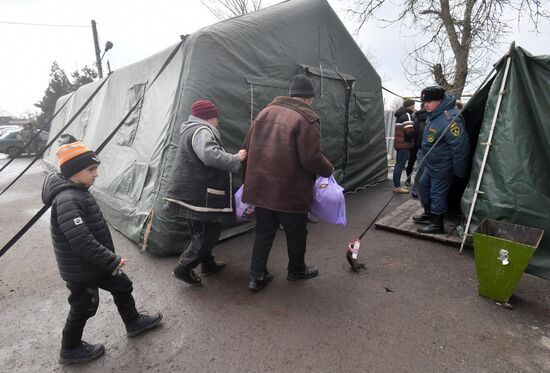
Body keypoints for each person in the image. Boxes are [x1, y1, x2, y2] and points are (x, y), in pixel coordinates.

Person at [42, 140, 163, 365]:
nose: (96, 174)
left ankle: (133, 322)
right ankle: (70, 349)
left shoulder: (79, 191)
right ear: (74, 171)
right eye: (91, 169)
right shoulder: (68, 199)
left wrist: (107, 261)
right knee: (84, 306)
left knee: (123, 285)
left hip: (96, 263)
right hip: (82, 269)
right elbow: (82, 242)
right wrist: (111, 259)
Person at [242, 74, 334, 292]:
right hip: (290, 190)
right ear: (307, 98)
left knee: (264, 232)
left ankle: (257, 276)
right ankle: (297, 270)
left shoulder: (264, 112)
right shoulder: (306, 118)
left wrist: (247, 182)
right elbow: (311, 158)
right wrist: (328, 170)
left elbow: (246, 147)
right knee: (296, 232)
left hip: (261, 187)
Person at [165, 100, 247, 285]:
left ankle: (208, 264)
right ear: (210, 117)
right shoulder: (202, 130)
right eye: (217, 118)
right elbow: (210, 156)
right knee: (208, 233)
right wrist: (236, 158)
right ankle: (183, 268)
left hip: (190, 193)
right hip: (199, 195)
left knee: (200, 233)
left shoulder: (190, 129)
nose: (218, 122)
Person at [412, 86, 470, 234]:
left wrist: (459, 171)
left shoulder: (450, 119)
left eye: (429, 101)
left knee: (437, 193)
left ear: (440, 100)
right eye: (424, 101)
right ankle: (429, 213)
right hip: (431, 162)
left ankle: (437, 223)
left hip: (443, 165)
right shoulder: (434, 114)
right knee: (422, 185)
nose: (426, 105)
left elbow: (460, 148)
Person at [392, 99, 416, 193]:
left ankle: (396, 185)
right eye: (413, 105)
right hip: (404, 144)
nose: (414, 107)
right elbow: (409, 131)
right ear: (410, 106)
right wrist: (416, 133)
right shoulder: (407, 115)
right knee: (400, 165)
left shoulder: (400, 115)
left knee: (398, 164)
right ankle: (397, 187)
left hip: (399, 144)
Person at [409, 103, 428, 198]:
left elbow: (414, 132)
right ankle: (423, 191)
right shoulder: (434, 117)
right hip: (430, 147)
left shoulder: (417, 117)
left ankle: (415, 191)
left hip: (420, 146)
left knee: (419, 169)